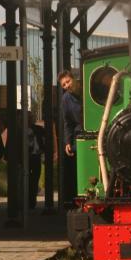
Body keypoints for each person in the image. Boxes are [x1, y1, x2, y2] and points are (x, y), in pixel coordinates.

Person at [59, 70, 83, 205]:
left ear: (73, 79)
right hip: (79, 132)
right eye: (63, 85)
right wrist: (67, 141)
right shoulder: (66, 100)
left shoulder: (86, 88)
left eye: (67, 82)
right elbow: (67, 122)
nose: (67, 86)